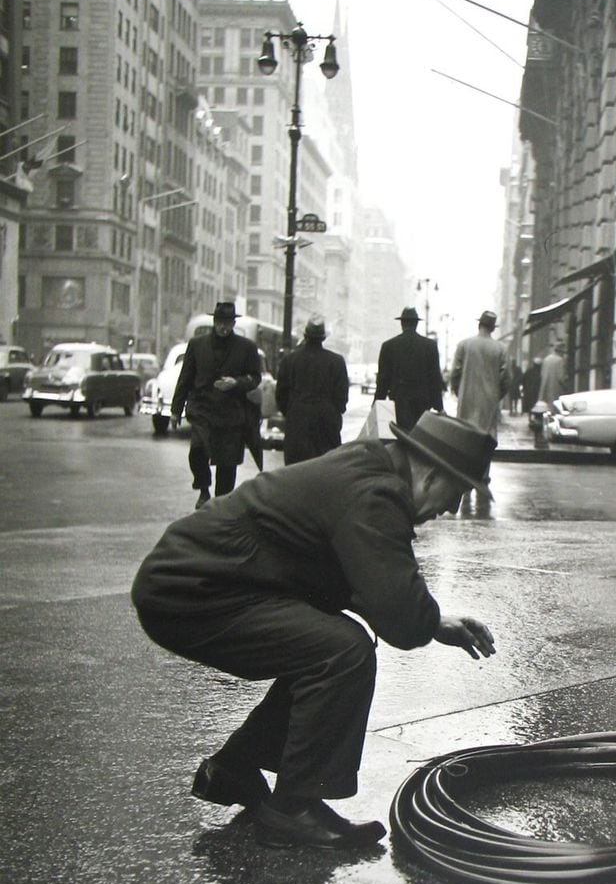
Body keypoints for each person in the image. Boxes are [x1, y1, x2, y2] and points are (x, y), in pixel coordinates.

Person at [131, 411, 498, 851]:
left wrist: (434, 621)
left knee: (322, 644)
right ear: (432, 474)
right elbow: (400, 617)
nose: (450, 509)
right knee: (342, 651)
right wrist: (423, 620)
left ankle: (234, 769)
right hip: (192, 592)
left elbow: (362, 579)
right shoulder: (376, 495)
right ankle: (291, 809)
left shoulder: (368, 467)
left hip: (198, 581)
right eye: (456, 493)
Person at [172, 300, 263, 508]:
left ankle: (222, 502)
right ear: (214, 321)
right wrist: (176, 410)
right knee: (197, 450)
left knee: (227, 463)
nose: (224, 327)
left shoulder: (247, 348)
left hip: (231, 414)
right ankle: (203, 489)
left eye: (228, 323)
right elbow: (185, 378)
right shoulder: (197, 345)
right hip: (202, 409)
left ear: (233, 324)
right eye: (220, 322)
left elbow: (255, 377)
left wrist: (237, 383)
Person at [274, 314, 350, 465]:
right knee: (324, 470)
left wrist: (292, 411)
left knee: (296, 471)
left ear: (305, 335)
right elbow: (342, 398)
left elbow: (281, 395)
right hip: (326, 424)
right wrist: (332, 412)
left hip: (298, 422)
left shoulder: (290, 360)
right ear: (323, 338)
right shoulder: (337, 362)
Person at [374, 306, 445, 429]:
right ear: (416, 324)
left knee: (400, 437)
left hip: (399, 401)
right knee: (419, 437)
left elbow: (383, 380)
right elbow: (435, 379)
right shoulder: (430, 346)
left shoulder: (388, 346)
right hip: (423, 402)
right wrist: (439, 407)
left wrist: (377, 403)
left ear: (402, 323)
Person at [448, 310, 511, 439]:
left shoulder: (464, 345)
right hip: (489, 401)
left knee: (465, 437)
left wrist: (458, 391)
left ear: (479, 325)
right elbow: (506, 378)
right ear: (493, 328)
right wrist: (497, 394)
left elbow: (454, 373)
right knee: (486, 439)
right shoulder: (501, 349)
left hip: (467, 398)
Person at [537, 339, 568, 411]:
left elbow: (542, 375)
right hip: (555, 390)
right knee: (554, 410)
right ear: (561, 351)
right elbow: (561, 377)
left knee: (545, 409)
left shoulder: (546, 359)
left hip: (544, 389)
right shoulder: (560, 360)